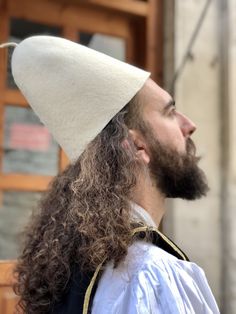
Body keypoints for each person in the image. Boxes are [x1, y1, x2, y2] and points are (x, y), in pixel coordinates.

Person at [2, 36, 219, 313]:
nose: (189, 125)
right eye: (170, 112)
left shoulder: (74, 263)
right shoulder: (149, 274)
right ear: (138, 145)